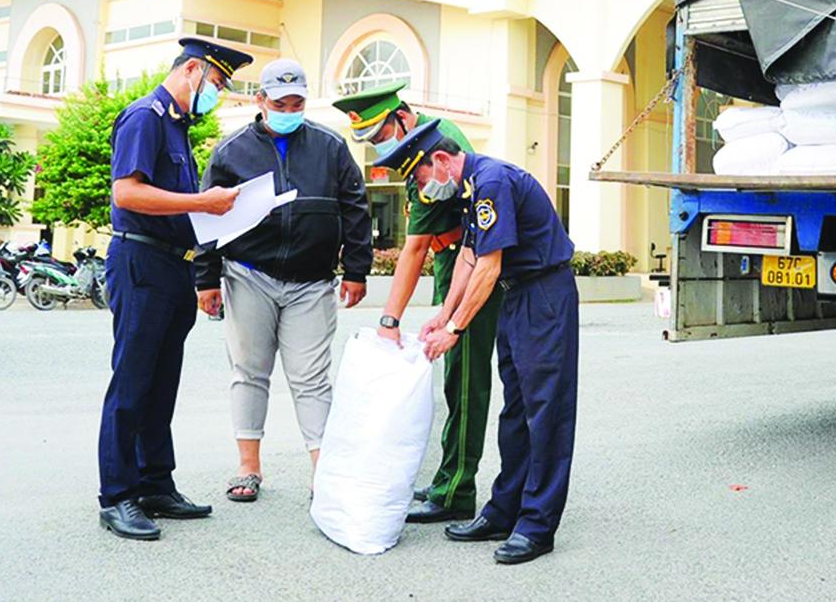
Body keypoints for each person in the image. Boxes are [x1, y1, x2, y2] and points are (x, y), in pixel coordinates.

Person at [374, 121, 578, 565]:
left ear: (441, 161)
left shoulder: (492, 182)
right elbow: (467, 256)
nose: (424, 192)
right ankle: (504, 510)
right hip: (517, 296)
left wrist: (455, 329)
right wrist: (443, 314)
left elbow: (488, 265)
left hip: (544, 294)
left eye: (422, 180)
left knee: (546, 412)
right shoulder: (470, 187)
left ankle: (537, 525)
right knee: (516, 411)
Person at [194, 59, 374, 503]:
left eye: (297, 103)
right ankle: (249, 467)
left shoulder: (331, 147)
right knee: (249, 372)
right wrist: (206, 278)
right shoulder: (231, 151)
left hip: (311, 282)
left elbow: (355, 208)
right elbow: (208, 215)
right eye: (280, 104)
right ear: (261, 100)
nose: (290, 111)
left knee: (311, 378)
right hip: (249, 275)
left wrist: (357, 269)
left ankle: (324, 473)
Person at [96, 37, 252, 541]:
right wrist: (202, 203)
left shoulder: (176, 127)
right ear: (191, 70)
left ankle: (155, 484)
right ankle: (117, 495)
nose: (218, 93)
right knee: (132, 382)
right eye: (217, 82)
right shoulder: (145, 117)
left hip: (173, 265)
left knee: (161, 383)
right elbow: (127, 192)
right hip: (141, 261)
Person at [330, 81, 498, 524]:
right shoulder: (419, 147)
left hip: (470, 264)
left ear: (402, 117)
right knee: (457, 378)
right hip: (454, 260)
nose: (380, 145)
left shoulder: (433, 151)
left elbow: (415, 247)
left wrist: (390, 320)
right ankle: (449, 478)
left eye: (381, 134)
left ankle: (455, 490)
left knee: (464, 381)